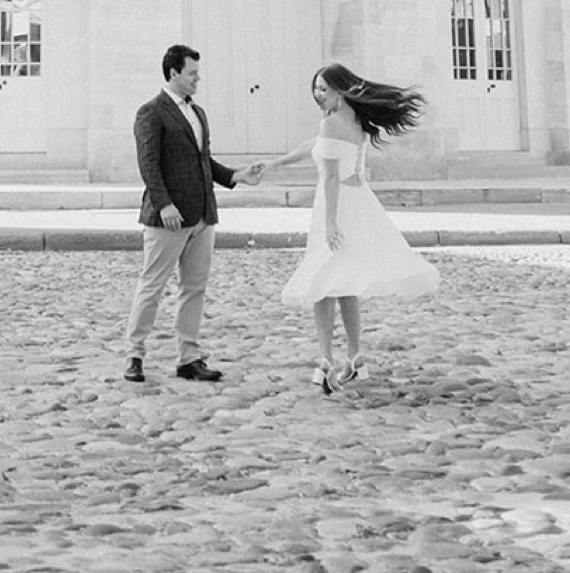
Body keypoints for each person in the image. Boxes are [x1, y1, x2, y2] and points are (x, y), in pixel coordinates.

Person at [252, 62, 438, 391]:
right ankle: (355, 356)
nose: (317, 94)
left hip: (336, 206)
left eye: (324, 88)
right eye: (316, 88)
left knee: (321, 283)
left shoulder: (332, 124)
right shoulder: (355, 120)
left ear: (341, 89)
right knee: (345, 281)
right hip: (358, 202)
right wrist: (277, 163)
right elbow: (317, 146)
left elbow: (331, 177)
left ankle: (326, 359)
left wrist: (329, 222)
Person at [123, 42, 260, 384]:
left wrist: (235, 177)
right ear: (174, 73)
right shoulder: (151, 112)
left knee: (194, 288)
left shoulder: (198, 114)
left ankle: (189, 357)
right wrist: (164, 203)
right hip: (167, 217)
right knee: (152, 286)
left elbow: (203, 161)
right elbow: (149, 164)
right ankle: (135, 355)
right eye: (192, 73)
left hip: (202, 215)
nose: (198, 79)